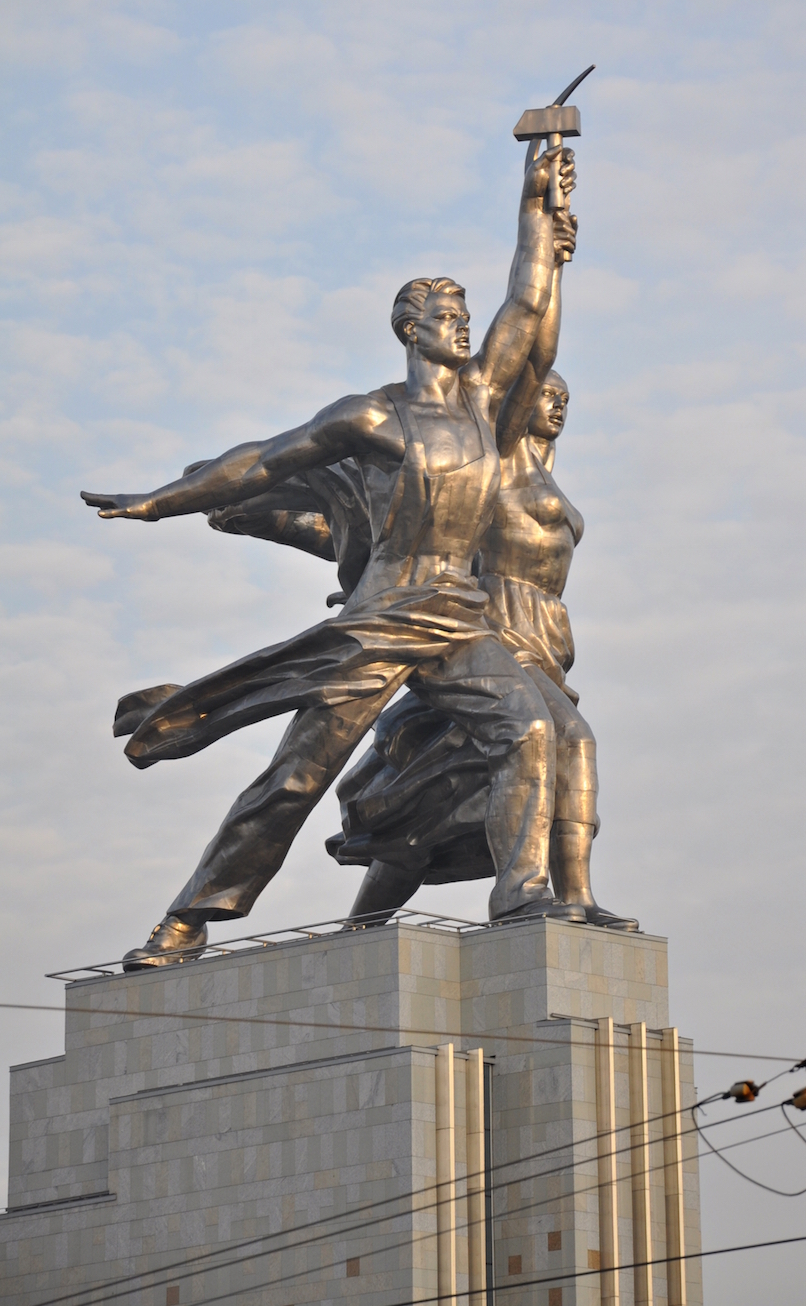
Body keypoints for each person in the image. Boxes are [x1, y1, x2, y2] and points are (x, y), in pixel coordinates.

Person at [82, 144, 582, 969]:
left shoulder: (487, 404)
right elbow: (264, 461)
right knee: (294, 779)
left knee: (530, 730)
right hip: (383, 617)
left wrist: (538, 203)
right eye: (447, 315)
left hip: (458, 616)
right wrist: (162, 501)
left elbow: (527, 306)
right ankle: (185, 921)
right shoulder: (375, 419)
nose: (463, 325)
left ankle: (521, 890)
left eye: (464, 314)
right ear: (410, 329)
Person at [331, 355, 637, 932]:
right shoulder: (487, 471)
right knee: (574, 742)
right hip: (492, 628)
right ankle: (547, 891)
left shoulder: (546, 477)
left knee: (431, 805)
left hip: (544, 638)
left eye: (564, 397)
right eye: (545, 394)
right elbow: (405, 533)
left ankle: (362, 929)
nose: (557, 404)